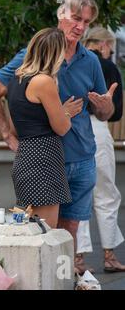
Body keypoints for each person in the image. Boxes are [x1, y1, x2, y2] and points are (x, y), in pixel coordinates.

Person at [0, 0, 118, 275]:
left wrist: (106, 107)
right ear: (61, 16)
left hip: (81, 159)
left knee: (67, 234)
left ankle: (63, 280)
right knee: (45, 236)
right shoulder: (31, 57)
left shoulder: (90, 60)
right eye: (76, 18)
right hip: (46, 163)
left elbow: (104, 114)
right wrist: (8, 136)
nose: (80, 26)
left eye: (86, 21)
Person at [7, 28, 75, 229]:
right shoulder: (43, 81)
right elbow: (62, 128)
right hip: (44, 160)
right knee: (45, 235)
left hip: (25, 157)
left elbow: (14, 128)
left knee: (31, 232)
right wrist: (67, 112)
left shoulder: (15, 79)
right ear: (56, 53)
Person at [76, 27, 125, 272]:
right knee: (106, 193)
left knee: (78, 192)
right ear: (105, 45)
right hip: (98, 129)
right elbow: (116, 113)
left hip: (73, 129)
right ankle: (109, 256)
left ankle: (78, 259)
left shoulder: (74, 62)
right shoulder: (107, 66)